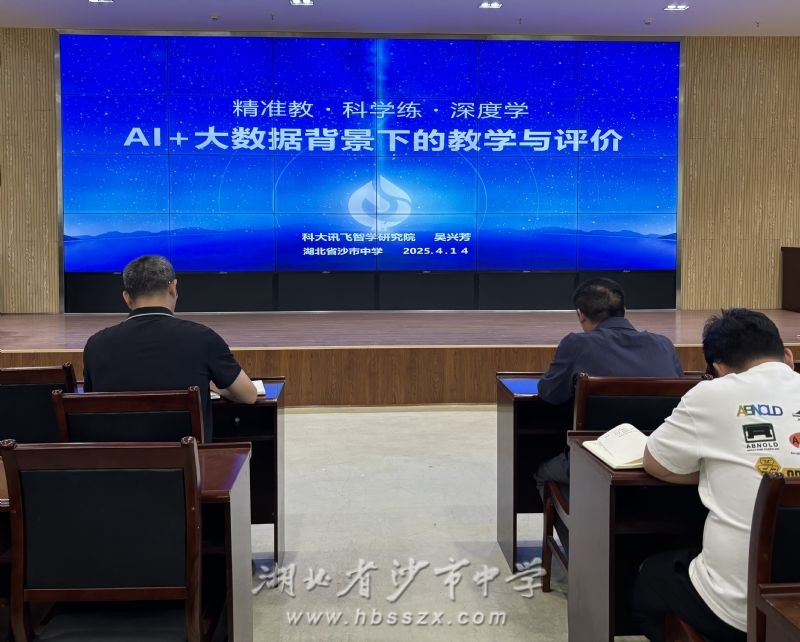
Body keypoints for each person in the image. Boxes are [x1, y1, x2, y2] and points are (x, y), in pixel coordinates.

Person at [631, 308, 800, 642]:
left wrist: (716, 472)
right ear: (788, 356)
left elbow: (656, 462)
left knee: (648, 581)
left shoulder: (711, 394)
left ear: (719, 368)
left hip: (743, 610)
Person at [534, 278, 683, 550]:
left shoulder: (576, 344)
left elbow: (549, 393)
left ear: (580, 315)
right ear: (625, 311)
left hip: (595, 461)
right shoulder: (663, 345)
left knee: (543, 473)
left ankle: (582, 553)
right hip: (655, 459)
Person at [83, 255, 257, 441]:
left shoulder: (95, 345)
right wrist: (215, 388)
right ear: (173, 288)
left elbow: (90, 405)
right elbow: (249, 395)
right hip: (187, 459)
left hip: (118, 459)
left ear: (127, 298)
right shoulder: (203, 338)